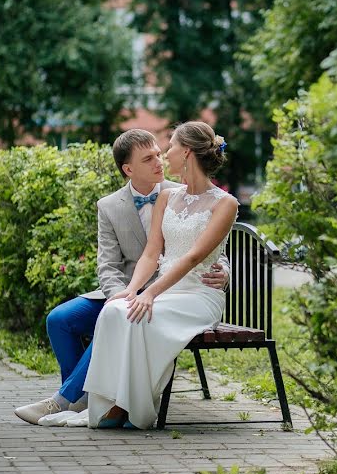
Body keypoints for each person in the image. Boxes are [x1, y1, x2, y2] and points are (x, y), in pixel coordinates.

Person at [13, 128, 229, 425]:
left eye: (162, 151)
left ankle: (69, 400)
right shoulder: (113, 205)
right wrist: (127, 291)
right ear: (128, 169)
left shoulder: (209, 198)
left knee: (123, 317)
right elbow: (115, 263)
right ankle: (87, 396)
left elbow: (208, 253)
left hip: (180, 291)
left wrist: (225, 272)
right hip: (130, 288)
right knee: (62, 319)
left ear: (188, 153)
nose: (161, 159)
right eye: (149, 157)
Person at [84, 121, 239, 429]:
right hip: (166, 290)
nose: (166, 153)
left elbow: (195, 256)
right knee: (117, 309)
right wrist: (133, 290)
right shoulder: (167, 197)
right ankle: (114, 400)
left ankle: (133, 407)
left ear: (188, 153)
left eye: (171, 147)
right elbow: (152, 253)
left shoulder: (226, 203)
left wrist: (151, 294)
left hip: (198, 295)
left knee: (140, 317)